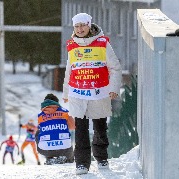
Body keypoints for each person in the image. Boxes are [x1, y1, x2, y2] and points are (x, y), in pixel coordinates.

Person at [62, 13, 122, 175]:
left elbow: (115, 68)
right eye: (77, 26)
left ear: (89, 25)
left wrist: (113, 88)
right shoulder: (72, 45)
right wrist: (66, 92)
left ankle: (101, 157)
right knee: (80, 130)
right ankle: (81, 163)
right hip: (78, 93)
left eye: (83, 25)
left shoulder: (102, 44)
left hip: (99, 93)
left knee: (100, 128)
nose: (80, 29)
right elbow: (69, 70)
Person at [36, 93, 75, 165]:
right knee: (68, 133)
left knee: (38, 132)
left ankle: (49, 158)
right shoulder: (65, 112)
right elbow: (73, 127)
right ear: (57, 103)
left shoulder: (40, 116)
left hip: (46, 150)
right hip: (64, 149)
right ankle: (67, 158)